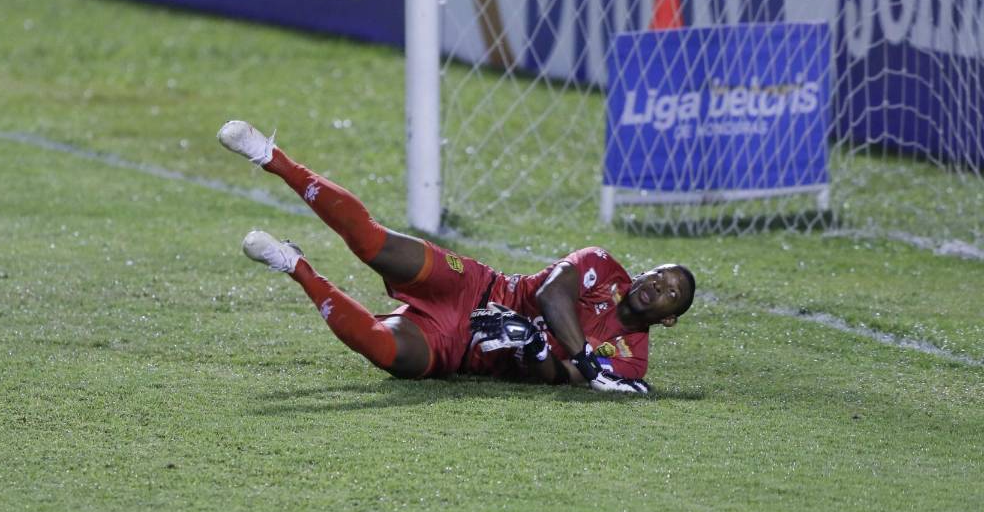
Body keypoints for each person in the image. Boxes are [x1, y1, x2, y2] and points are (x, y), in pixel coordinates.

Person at [218, 121, 695, 393]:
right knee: (371, 244)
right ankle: (271, 156)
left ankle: (295, 266)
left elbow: (558, 378)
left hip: (461, 349)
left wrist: (535, 350)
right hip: (475, 286)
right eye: (659, 274)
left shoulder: (634, 364)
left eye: (671, 291)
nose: (658, 285)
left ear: (669, 318)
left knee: (384, 352)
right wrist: (588, 361)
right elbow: (552, 296)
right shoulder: (603, 264)